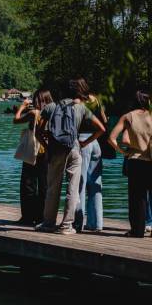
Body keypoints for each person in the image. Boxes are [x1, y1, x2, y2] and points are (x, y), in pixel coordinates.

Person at [35, 79, 105, 235]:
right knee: (73, 188)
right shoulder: (80, 108)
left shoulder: (51, 107)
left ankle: (48, 223)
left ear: (60, 92)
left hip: (55, 150)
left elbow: (38, 132)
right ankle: (66, 226)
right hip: (74, 148)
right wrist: (84, 143)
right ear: (75, 93)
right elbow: (101, 128)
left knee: (53, 187)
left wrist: (47, 147)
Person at [107, 90, 152, 237]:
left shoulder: (128, 116)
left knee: (137, 199)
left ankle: (137, 231)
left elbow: (111, 138)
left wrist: (123, 152)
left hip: (136, 161)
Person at [13, 89, 53, 225]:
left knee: (28, 185)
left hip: (33, 151)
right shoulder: (53, 112)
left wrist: (22, 107)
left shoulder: (34, 113)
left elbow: (16, 120)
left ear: (39, 99)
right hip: (47, 151)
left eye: (36, 99)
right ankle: (41, 217)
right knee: (44, 186)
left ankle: (28, 217)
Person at [73, 79, 108, 232]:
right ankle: (96, 224)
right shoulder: (96, 100)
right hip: (96, 142)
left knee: (80, 182)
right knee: (95, 184)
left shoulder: (78, 103)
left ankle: (78, 223)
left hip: (83, 141)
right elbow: (105, 120)